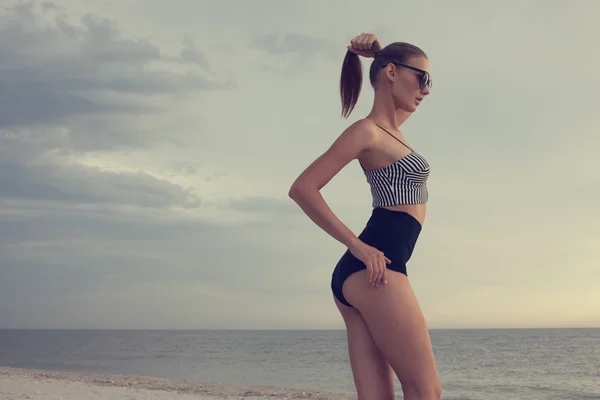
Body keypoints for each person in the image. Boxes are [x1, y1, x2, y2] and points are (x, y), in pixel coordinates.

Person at [288, 33, 441, 400]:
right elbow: (303, 189)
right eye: (423, 79)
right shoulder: (366, 131)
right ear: (391, 72)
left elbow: (393, 91)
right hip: (377, 263)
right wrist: (357, 246)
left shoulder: (393, 131)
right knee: (426, 391)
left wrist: (377, 50)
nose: (427, 89)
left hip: (362, 272)